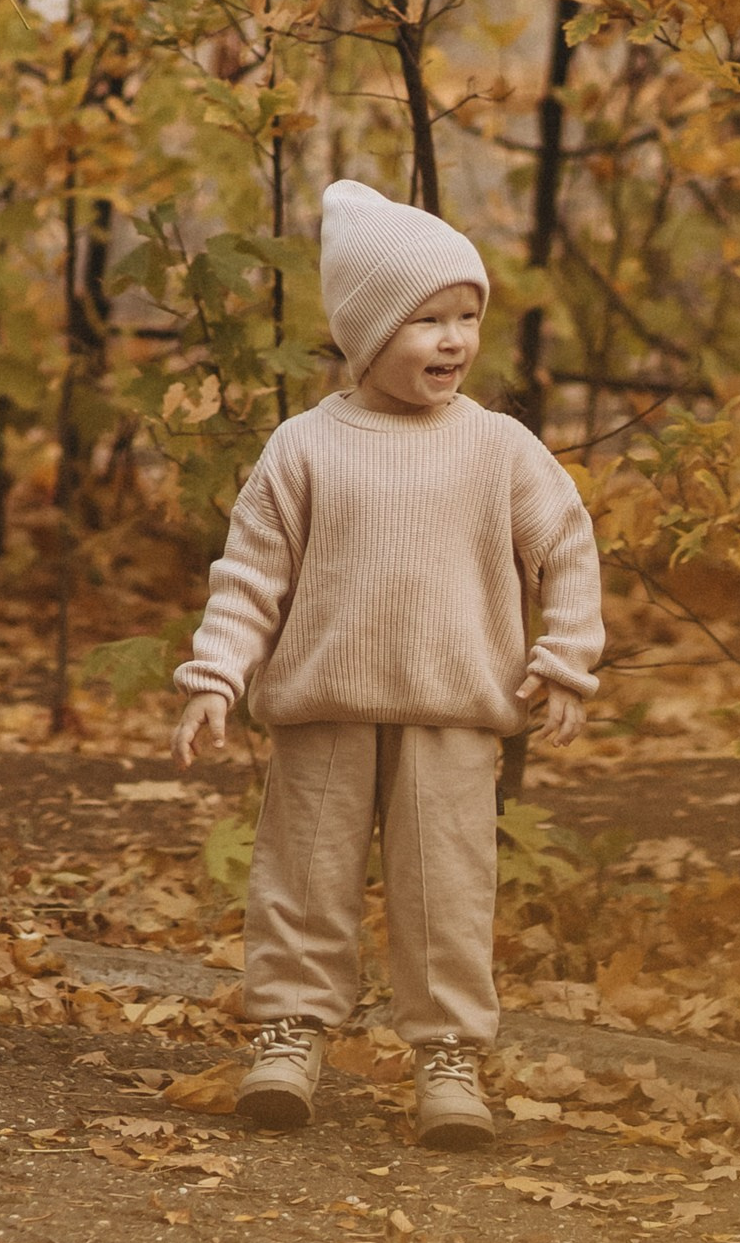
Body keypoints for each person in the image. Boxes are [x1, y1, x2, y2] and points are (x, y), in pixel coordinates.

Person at [169, 178, 603, 1149]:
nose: (452, 340)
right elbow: (251, 575)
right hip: (325, 709)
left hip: (454, 714)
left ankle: (448, 1056)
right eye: (426, 320)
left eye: (465, 317)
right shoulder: (306, 448)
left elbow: (566, 546)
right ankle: (289, 1036)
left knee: (446, 890)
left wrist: (567, 657)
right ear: (367, 332)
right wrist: (215, 676)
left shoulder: (499, 449)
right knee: (304, 879)